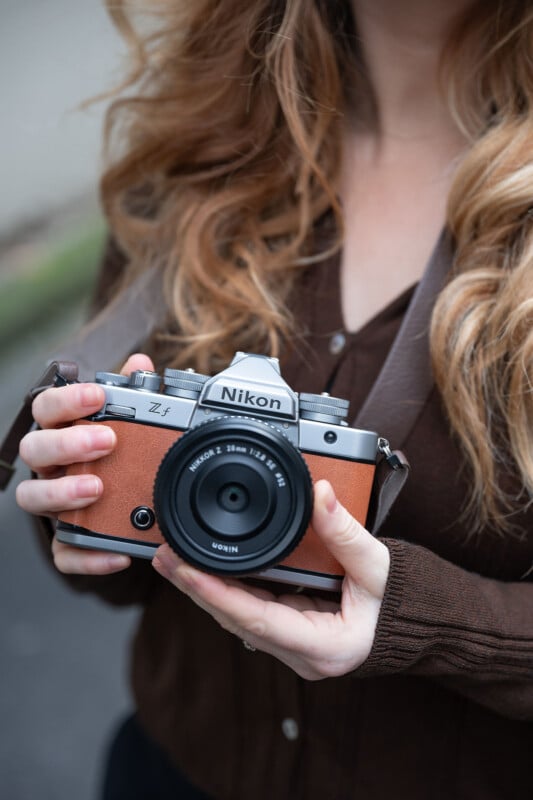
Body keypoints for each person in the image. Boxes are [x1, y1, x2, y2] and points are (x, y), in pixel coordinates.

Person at [14, 0, 533, 797]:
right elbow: (109, 577)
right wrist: (75, 496)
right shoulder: (198, 151)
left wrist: (421, 621)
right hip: (168, 772)